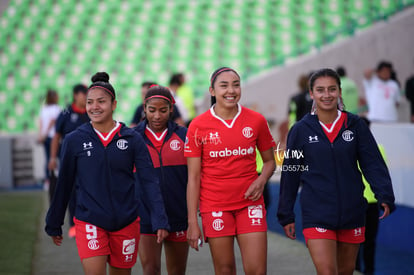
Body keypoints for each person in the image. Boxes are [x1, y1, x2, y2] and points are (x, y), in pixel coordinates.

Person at [45, 72, 169, 275]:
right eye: (90, 102)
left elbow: (149, 181)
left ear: (114, 104)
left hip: (126, 222)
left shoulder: (132, 139)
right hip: (89, 220)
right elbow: (64, 183)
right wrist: (54, 221)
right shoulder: (74, 140)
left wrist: (159, 219)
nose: (95, 107)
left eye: (101, 101)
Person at [277, 68, 395, 275]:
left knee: (345, 271)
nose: (327, 95)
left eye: (332, 89)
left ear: (339, 92)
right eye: (320, 90)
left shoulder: (355, 125)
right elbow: (291, 172)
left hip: (352, 212)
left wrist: (384, 193)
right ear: (312, 94)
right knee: (327, 272)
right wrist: (286, 214)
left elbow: (372, 163)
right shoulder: (300, 130)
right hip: (317, 213)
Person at [185, 67, 276, 274]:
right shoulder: (198, 126)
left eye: (236, 85)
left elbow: (270, 162)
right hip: (215, 206)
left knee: (257, 270)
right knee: (225, 269)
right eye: (224, 86)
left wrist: (261, 181)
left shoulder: (256, 120)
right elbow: (193, 177)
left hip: (250, 204)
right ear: (212, 91)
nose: (231, 90)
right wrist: (192, 221)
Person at [134, 85, 189, 275]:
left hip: (178, 214)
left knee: (177, 271)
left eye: (163, 110)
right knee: (150, 269)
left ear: (171, 109)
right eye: (152, 110)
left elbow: (196, 175)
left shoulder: (184, 135)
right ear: (144, 108)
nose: (157, 116)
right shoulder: (133, 139)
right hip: (145, 215)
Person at [48, 83, 90, 238]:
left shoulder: (91, 112)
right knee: (71, 191)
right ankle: (73, 224)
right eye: (83, 94)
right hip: (68, 159)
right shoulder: (65, 112)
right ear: (75, 95)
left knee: (88, 189)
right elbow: (56, 136)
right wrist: (52, 158)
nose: (85, 97)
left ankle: (88, 221)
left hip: (88, 158)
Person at [355, 117, 387, 275]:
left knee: (354, 240)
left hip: (356, 202)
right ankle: (369, 271)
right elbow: (383, 174)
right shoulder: (378, 147)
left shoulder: (349, 147)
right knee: (369, 241)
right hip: (372, 202)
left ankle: (357, 270)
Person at [37, 89, 61, 184]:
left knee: (48, 158)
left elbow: (41, 122)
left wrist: (41, 135)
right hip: (53, 136)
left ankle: (48, 179)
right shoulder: (56, 108)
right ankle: (56, 177)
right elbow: (52, 121)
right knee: (56, 157)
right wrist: (46, 133)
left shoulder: (44, 108)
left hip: (45, 137)